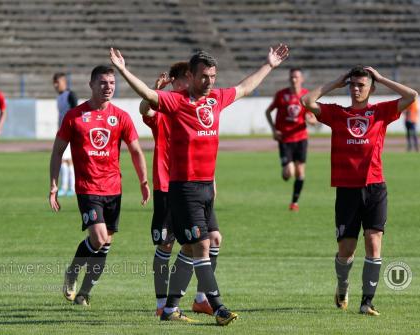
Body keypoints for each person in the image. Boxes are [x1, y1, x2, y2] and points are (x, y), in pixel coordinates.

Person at [111, 44, 289, 325]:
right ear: (192, 77)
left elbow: (243, 88)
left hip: (206, 187)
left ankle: (170, 308)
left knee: (202, 245)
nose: (209, 81)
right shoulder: (177, 102)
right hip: (184, 188)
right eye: (204, 76)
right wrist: (123, 70)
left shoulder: (216, 99)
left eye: (213, 76)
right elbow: (147, 96)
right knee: (202, 245)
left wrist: (269, 65)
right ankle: (217, 307)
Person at [300, 65, 418, 316]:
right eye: (352, 84)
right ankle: (342, 286)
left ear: (371, 88)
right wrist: (336, 81)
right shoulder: (336, 114)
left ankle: (367, 302)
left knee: (374, 242)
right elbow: (306, 100)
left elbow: (411, 96)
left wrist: (382, 78)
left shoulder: (380, 112)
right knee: (347, 250)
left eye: (361, 85)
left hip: (375, 187)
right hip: (346, 190)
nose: (355, 89)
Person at [48, 65, 151, 307]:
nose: (108, 87)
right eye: (103, 83)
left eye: (112, 83)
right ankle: (73, 271)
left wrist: (143, 181)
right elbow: (57, 152)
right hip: (88, 187)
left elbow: (136, 151)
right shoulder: (74, 116)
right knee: (98, 238)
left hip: (114, 188)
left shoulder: (121, 117)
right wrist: (53, 185)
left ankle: (84, 293)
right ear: (92, 85)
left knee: (105, 246)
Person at [139, 63, 223, 317]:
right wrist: (153, 91)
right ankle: (161, 304)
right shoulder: (166, 109)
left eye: (189, 80)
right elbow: (145, 111)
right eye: (182, 81)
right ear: (173, 82)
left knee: (212, 240)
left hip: (197, 186)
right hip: (168, 186)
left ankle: (200, 299)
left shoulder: (194, 107)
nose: (186, 86)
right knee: (167, 244)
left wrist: (212, 180)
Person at [264, 68, 317, 211]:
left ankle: (294, 202)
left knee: (300, 172)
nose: (294, 79)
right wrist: (274, 130)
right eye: (292, 77)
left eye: (297, 77)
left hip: (301, 138)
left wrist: (310, 120)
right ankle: (286, 169)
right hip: (285, 139)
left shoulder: (307, 95)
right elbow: (268, 111)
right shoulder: (281, 95)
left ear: (302, 79)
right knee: (289, 174)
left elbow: (314, 119)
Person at [53, 73, 79, 196]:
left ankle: (68, 188)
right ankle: (69, 188)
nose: (55, 85)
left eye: (57, 82)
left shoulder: (70, 95)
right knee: (67, 160)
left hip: (70, 131)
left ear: (64, 82)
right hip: (61, 132)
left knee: (65, 160)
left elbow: (77, 113)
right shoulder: (59, 97)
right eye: (54, 82)